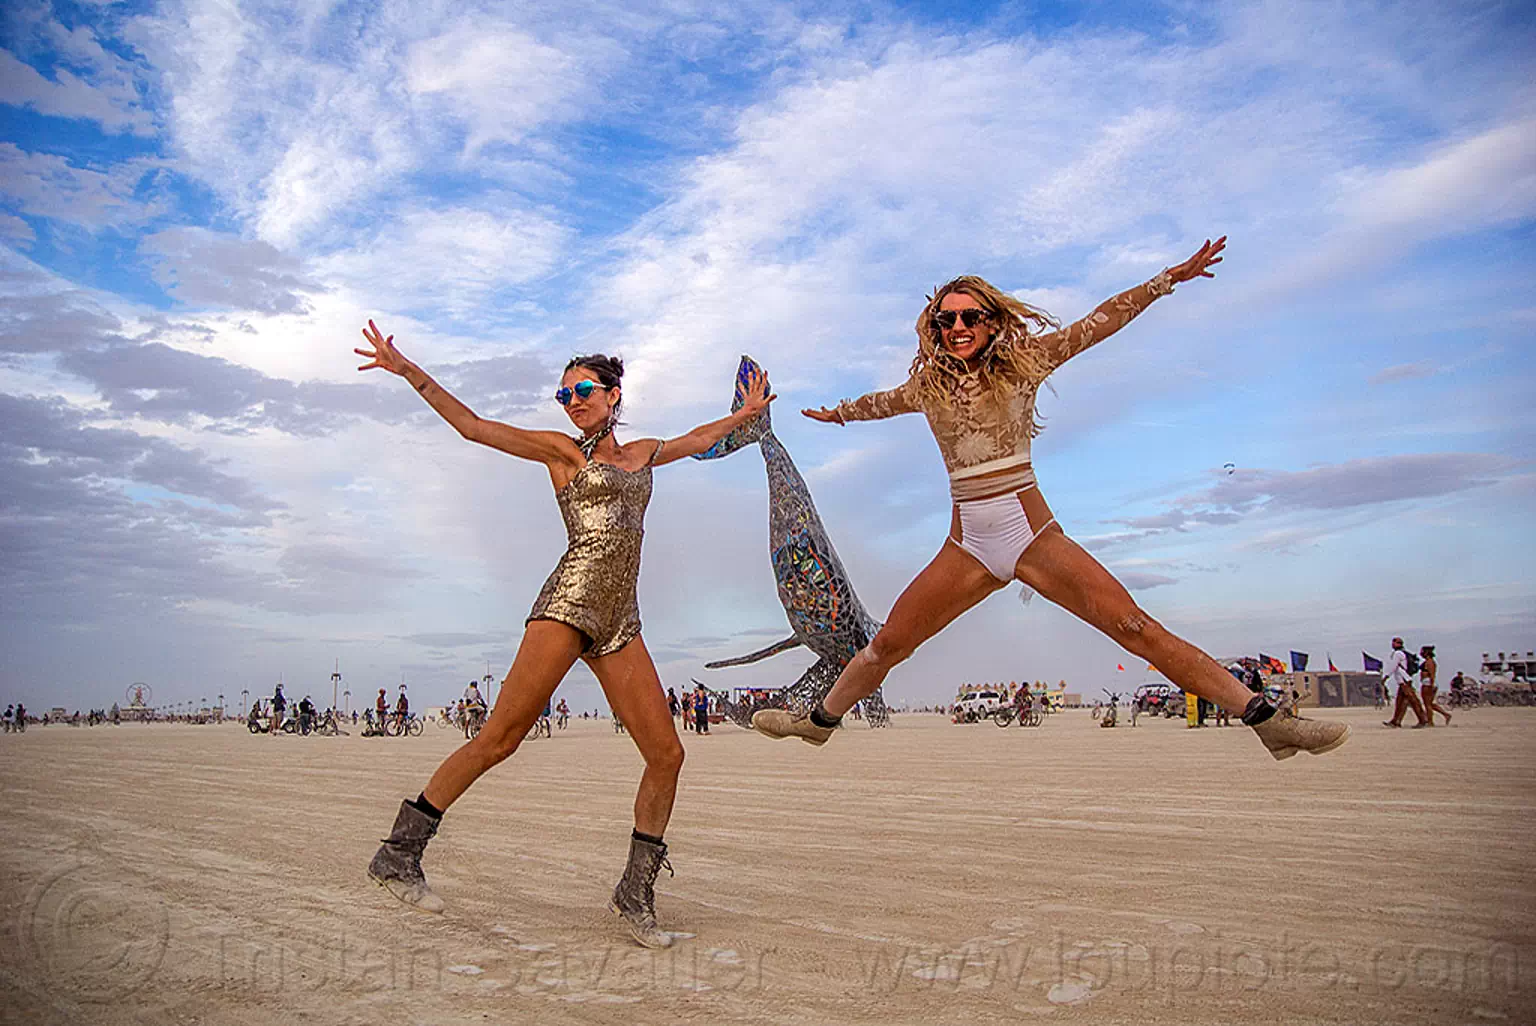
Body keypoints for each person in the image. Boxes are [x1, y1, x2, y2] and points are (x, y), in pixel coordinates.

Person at [752, 244, 1348, 761]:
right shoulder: (926, 389)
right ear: (933, 329)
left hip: (1033, 537)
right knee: (886, 645)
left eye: (970, 316)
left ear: (991, 321)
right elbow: (879, 402)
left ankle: (1269, 721)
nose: (958, 327)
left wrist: (1169, 279)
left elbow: (1101, 320)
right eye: (945, 320)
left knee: (1135, 627)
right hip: (966, 548)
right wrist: (840, 415)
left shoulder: (1025, 365)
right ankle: (820, 722)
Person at [354, 321, 772, 948]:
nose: (573, 401)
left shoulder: (645, 452)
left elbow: (701, 437)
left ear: (612, 396)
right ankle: (398, 853)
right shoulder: (562, 452)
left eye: (582, 390)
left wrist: (744, 413)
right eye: (564, 394)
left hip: (619, 620)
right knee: (499, 739)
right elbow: (474, 427)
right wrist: (407, 369)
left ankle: (634, 896)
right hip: (568, 605)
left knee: (668, 755)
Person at [1383, 637, 1428, 728]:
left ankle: (1423, 719)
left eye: (1394, 643)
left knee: (1413, 701)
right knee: (1400, 702)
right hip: (1404, 680)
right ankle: (1396, 721)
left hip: (1404, 680)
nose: (1393, 644)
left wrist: (1386, 677)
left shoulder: (1398, 654)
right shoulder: (1402, 653)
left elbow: (1393, 666)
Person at [1420, 645, 1449, 726]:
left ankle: (1430, 721)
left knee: (1427, 704)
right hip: (1427, 682)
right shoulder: (1427, 661)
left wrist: (1431, 685)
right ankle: (1445, 715)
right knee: (1430, 704)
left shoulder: (1430, 662)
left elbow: (1432, 674)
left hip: (1428, 683)